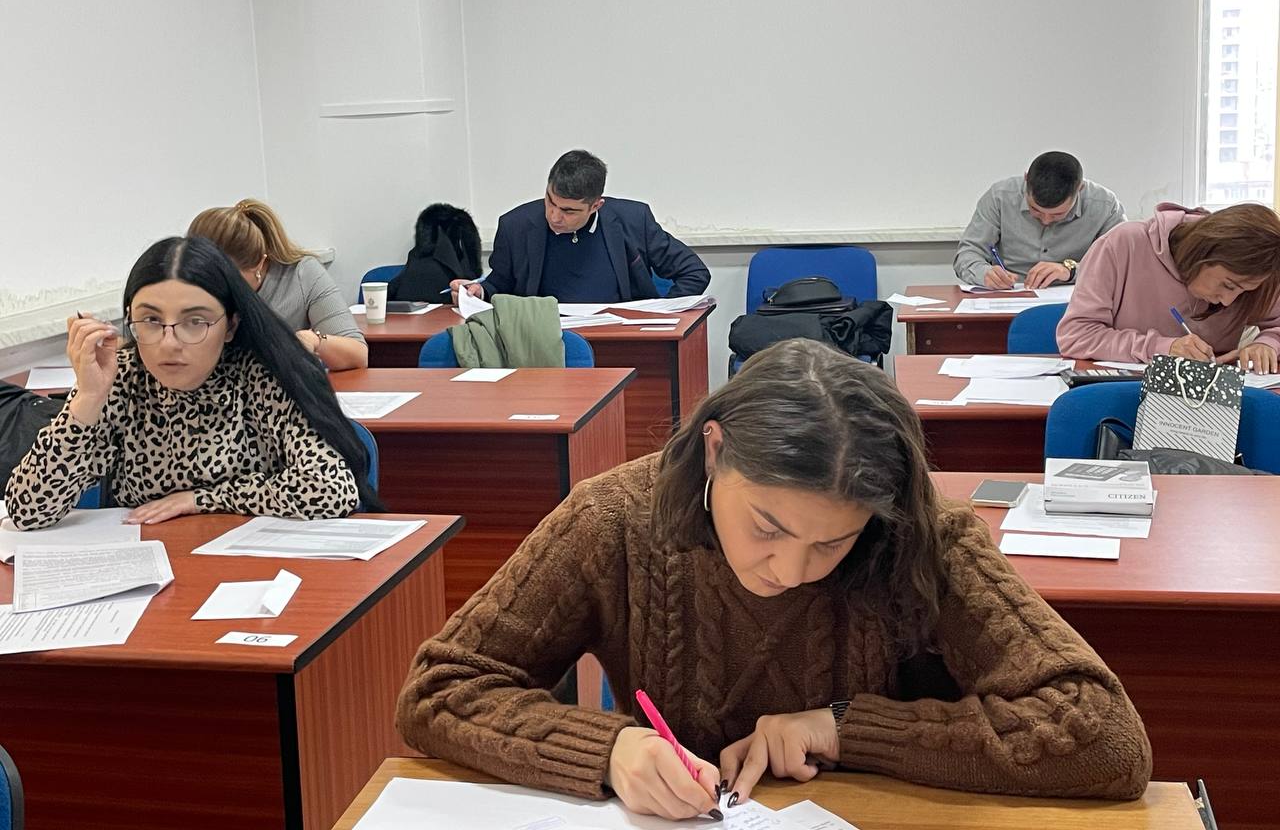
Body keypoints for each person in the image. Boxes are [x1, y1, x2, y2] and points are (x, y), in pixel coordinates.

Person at [396, 339, 1151, 820]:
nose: (791, 571)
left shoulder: (921, 534)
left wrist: (845, 728)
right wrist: (610, 750)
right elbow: (442, 689)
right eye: (767, 527)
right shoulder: (614, 520)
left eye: (833, 542)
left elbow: (1104, 735)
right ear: (714, 451)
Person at [4, 236, 380, 529]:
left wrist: (200, 499)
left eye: (195, 322)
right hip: (151, 570)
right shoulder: (121, 378)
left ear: (230, 325)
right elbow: (27, 510)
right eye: (151, 320)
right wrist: (86, 400)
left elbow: (329, 490)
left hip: (256, 569)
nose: (169, 343)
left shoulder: (263, 374)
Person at [451, 150, 710, 304]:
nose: (554, 216)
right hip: (543, 342)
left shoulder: (633, 220)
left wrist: (664, 315)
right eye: (550, 201)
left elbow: (694, 272)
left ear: (596, 206)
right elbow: (500, 284)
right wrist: (478, 292)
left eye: (568, 211)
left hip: (621, 338)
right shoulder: (515, 225)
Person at [1057, 202, 1280, 372]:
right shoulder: (1123, 245)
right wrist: (1162, 348)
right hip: (1123, 392)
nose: (1229, 301)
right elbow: (1076, 336)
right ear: (1203, 253)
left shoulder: (1261, 266)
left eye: (1245, 291)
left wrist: (1267, 345)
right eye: (1228, 285)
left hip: (1210, 403)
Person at [189, 199, 368, 370]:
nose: (213, 289)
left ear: (259, 263)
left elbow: (358, 355)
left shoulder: (301, 274)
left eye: (225, 280)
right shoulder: (184, 287)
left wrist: (314, 340)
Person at [954, 151, 1126, 290]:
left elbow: (1123, 263)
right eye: (1035, 210)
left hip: (1077, 299)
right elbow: (968, 254)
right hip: (1009, 294)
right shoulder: (1000, 197)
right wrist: (984, 273)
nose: (1046, 220)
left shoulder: (1105, 205)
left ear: (1080, 188)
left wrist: (1071, 271)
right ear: (1026, 179)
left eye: (1058, 214)